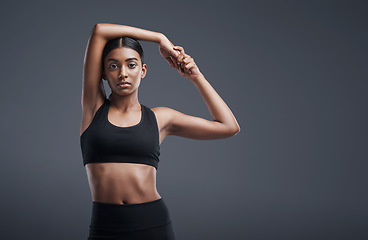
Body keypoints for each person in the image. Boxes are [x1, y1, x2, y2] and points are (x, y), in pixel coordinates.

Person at [80, 23, 240, 240]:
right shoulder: (93, 109)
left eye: (132, 64)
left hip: (152, 224)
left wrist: (196, 77)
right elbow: (99, 30)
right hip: (105, 225)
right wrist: (159, 38)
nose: (123, 73)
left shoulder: (160, 118)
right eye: (113, 66)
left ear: (143, 70)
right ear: (103, 73)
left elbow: (228, 126)